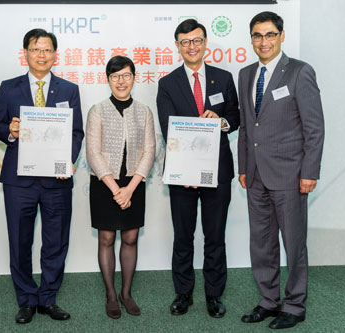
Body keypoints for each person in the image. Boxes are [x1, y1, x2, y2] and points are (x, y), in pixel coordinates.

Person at [0, 28, 84, 324]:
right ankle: (27, 299)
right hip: (20, 181)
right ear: (25, 53)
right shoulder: (9, 88)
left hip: (56, 181)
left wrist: (65, 161)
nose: (41, 55)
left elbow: (77, 132)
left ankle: (48, 298)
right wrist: (11, 132)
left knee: (55, 241)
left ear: (55, 55)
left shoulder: (69, 89)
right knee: (20, 241)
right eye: (35, 49)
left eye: (47, 50)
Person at [237, 11, 324, 329]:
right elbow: (247, 126)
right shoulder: (246, 74)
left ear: (281, 36)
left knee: (293, 241)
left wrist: (310, 171)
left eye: (270, 34)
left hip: (291, 175)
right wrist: (243, 166)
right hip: (255, 175)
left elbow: (314, 127)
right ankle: (268, 300)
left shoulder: (299, 72)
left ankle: (295, 305)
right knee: (260, 242)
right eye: (258, 35)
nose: (264, 41)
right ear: (252, 39)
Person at [156, 19, 240, 318]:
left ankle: (214, 295)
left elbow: (235, 116)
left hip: (218, 170)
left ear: (205, 43)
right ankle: (183, 293)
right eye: (185, 42)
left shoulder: (224, 78)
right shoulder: (167, 83)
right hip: (182, 174)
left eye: (197, 40)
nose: (192, 46)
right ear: (177, 46)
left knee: (215, 236)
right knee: (183, 236)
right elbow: (169, 128)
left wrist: (221, 122)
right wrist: (188, 170)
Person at [86, 56, 155, 319]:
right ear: (108, 79)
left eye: (126, 75)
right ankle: (111, 294)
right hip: (106, 183)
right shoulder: (97, 110)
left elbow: (149, 151)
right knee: (106, 238)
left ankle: (126, 293)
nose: (121, 81)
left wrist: (130, 188)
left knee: (130, 238)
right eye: (115, 76)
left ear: (134, 77)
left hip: (134, 183)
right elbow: (93, 153)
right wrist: (116, 189)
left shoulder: (144, 111)